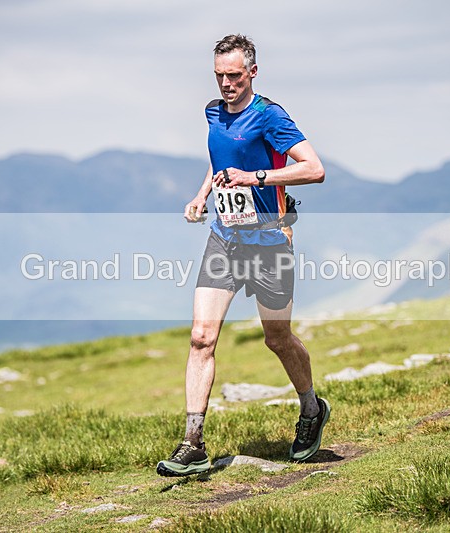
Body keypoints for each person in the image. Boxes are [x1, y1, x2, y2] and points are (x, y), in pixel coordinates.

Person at [156, 34, 328, 477]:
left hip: (270, 243)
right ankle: (192, 442)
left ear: (253, 72)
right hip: (225, 241)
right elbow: (221, 160)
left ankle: (311, 409)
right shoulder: (213, 112)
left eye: (235, 76)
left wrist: (256, 177)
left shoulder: (270, 116)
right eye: (220, 76)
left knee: (277, 338)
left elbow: (314, 168)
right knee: (201, 337)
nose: (227, 84)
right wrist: (201, 195)